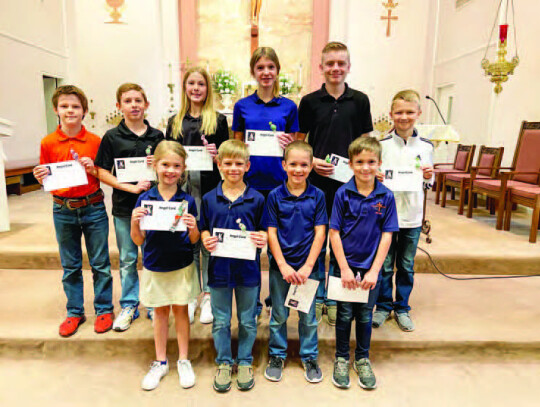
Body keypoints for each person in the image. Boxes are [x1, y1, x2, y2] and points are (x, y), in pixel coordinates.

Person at [298, 41, 373, 325]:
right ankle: (316, 297)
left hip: (349, 187)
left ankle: (334, 297)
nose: (335, 68)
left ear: (348, 66)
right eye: (330, 64)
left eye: (341, 63)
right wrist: (313, 161)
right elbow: (298, 141)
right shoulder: (309, 102)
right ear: (321, 68)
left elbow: (367, 142)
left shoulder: (361, 100)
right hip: (315, 185)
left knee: (342, 240)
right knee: (316, 241)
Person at [33, 85, 114, 337]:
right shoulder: (48, 142)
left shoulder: (95, 141)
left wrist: (93, 168)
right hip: (63, 209)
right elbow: (47, 176)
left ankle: (103, 309)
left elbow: (104, 174)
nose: (70, 111)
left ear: (84, 111)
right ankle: (74, 312)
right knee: (70, 265)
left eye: (75, 106)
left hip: (93, 207)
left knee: (100, 263)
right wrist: (40, 176)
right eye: (65, 106)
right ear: (56, 110)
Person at [232, 46, 298, 314]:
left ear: (278, 71)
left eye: (271, 67)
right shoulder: (242, 106)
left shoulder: (289, 106)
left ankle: (275, 299)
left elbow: (298, 147)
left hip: (280, 187)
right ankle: (253, 301)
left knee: (276, 248)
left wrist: (288, 142)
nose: (266, 72)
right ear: (253, 72)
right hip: (251, 187)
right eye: (260, 67)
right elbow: (236, 146)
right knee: (250, 246)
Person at [329, 136, 398, 390]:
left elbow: (387, 234)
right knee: (345, 315)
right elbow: (334, 232)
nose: (366, 167)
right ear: (350, 164)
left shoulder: (386, 196)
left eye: (371, 162)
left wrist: (374, 271)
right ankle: (341, 358)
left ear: (379, 163)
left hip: (370, 271)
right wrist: (345, 269)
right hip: (344, 269)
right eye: (360, 162)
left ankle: (362, 358)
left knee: (365, 316)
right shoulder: (341, 194)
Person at [95, 83, 164, 331]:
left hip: (155, 207)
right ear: (119, 106)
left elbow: (170, 169)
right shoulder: (112, 137)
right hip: (125, 207)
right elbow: (101, 171)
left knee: (152, 257)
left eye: (138, 100)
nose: (134, 105)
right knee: (127, 258)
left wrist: (157, 164)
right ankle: (129, 305)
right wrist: (129, 187)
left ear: (146, 104)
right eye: (128, 101)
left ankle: (154, 304)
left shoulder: (157, 136)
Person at [131, 141, 199, 390]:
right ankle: (161, 361)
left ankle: (183, 359)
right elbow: (138, 240)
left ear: (183, 169)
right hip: (154, 264)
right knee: (159, 313)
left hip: (181, 264)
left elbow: (194, 240)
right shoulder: (145, 199)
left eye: (176, 166)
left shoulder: (187, 200)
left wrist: (194, 227)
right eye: (165, 164)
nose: (170, 170)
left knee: (181, 311)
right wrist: (134, 222)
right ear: (155, 165)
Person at [200, 140, 267, 392]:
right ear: (218, 165)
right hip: (218, 271)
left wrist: (264, 237)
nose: (233, 168)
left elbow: (265, 229)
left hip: (248, 272)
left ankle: (246, 360)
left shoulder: (257, 198)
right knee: (221, 320)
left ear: (248, 166)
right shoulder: (209, 198)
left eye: (239, 163)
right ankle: (224, 361)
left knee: (248, 319)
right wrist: (206, 237)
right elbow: (203, 226)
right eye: (227, 163)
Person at [166, 67, 229, 325]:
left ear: (207, 88)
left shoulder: (219, 120)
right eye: (191, 83)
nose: (196, 88)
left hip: (210, 189)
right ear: (185, 87)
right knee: (188, 244)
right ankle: (191, 295)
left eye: (201, 84)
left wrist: (217, 155)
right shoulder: (174, 121)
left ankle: (209, 296)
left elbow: (227, 158)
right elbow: (168, 155)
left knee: (208, 244)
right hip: (183, 192)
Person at [264, 141, 327, 383]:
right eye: (293, 164)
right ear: (283, 165)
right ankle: (277, 354)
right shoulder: (274, 196)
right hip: (282, 267)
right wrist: (283, 265)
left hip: (307, 268)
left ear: (311, 166)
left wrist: (308, 267)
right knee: (279, 314)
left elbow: (320, 232)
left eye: (303, 165)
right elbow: (271, 232)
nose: (298, 170)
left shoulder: (318, 196)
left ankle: (309, 356)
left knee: (308, 317)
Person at [372, 90, 434, 332]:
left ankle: (402, 308)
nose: (404, 117)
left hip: (413, 216)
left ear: (418, 113)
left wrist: (429, 176)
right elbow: (372, 178)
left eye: (410, 112)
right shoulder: (381, 145)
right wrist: (376, 178)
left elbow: (429, 183)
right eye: (399, 112)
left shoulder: (426, 147)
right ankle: (383, 306)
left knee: (406, 264)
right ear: (391, 115)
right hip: (385, 216)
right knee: (385, 264)